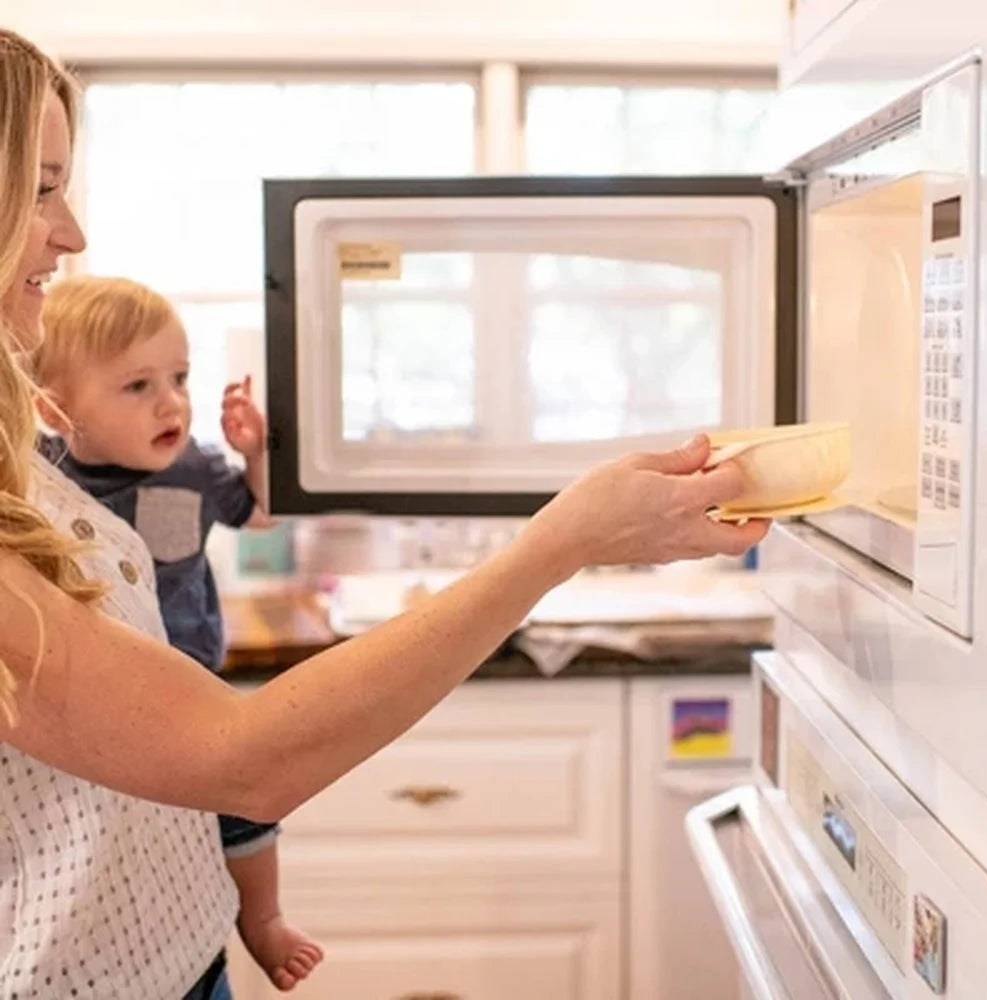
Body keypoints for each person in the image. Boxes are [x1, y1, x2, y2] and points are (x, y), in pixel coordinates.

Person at [0, 27, 769, 1000]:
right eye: (38, 186)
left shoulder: (29, 466)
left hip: (177, 962)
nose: (70, 231)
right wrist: (563, 540)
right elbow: (243, 760)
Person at [31, 273, 322, 991]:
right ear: (56, 410)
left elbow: (261, 514)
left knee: (243, 812)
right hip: (95, 698)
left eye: (180, 377)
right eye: (137, 386)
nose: (172, 402)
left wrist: (255, 454)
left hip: (191, 687)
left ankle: (263, 919)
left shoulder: (191, 467)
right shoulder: (42, 481)